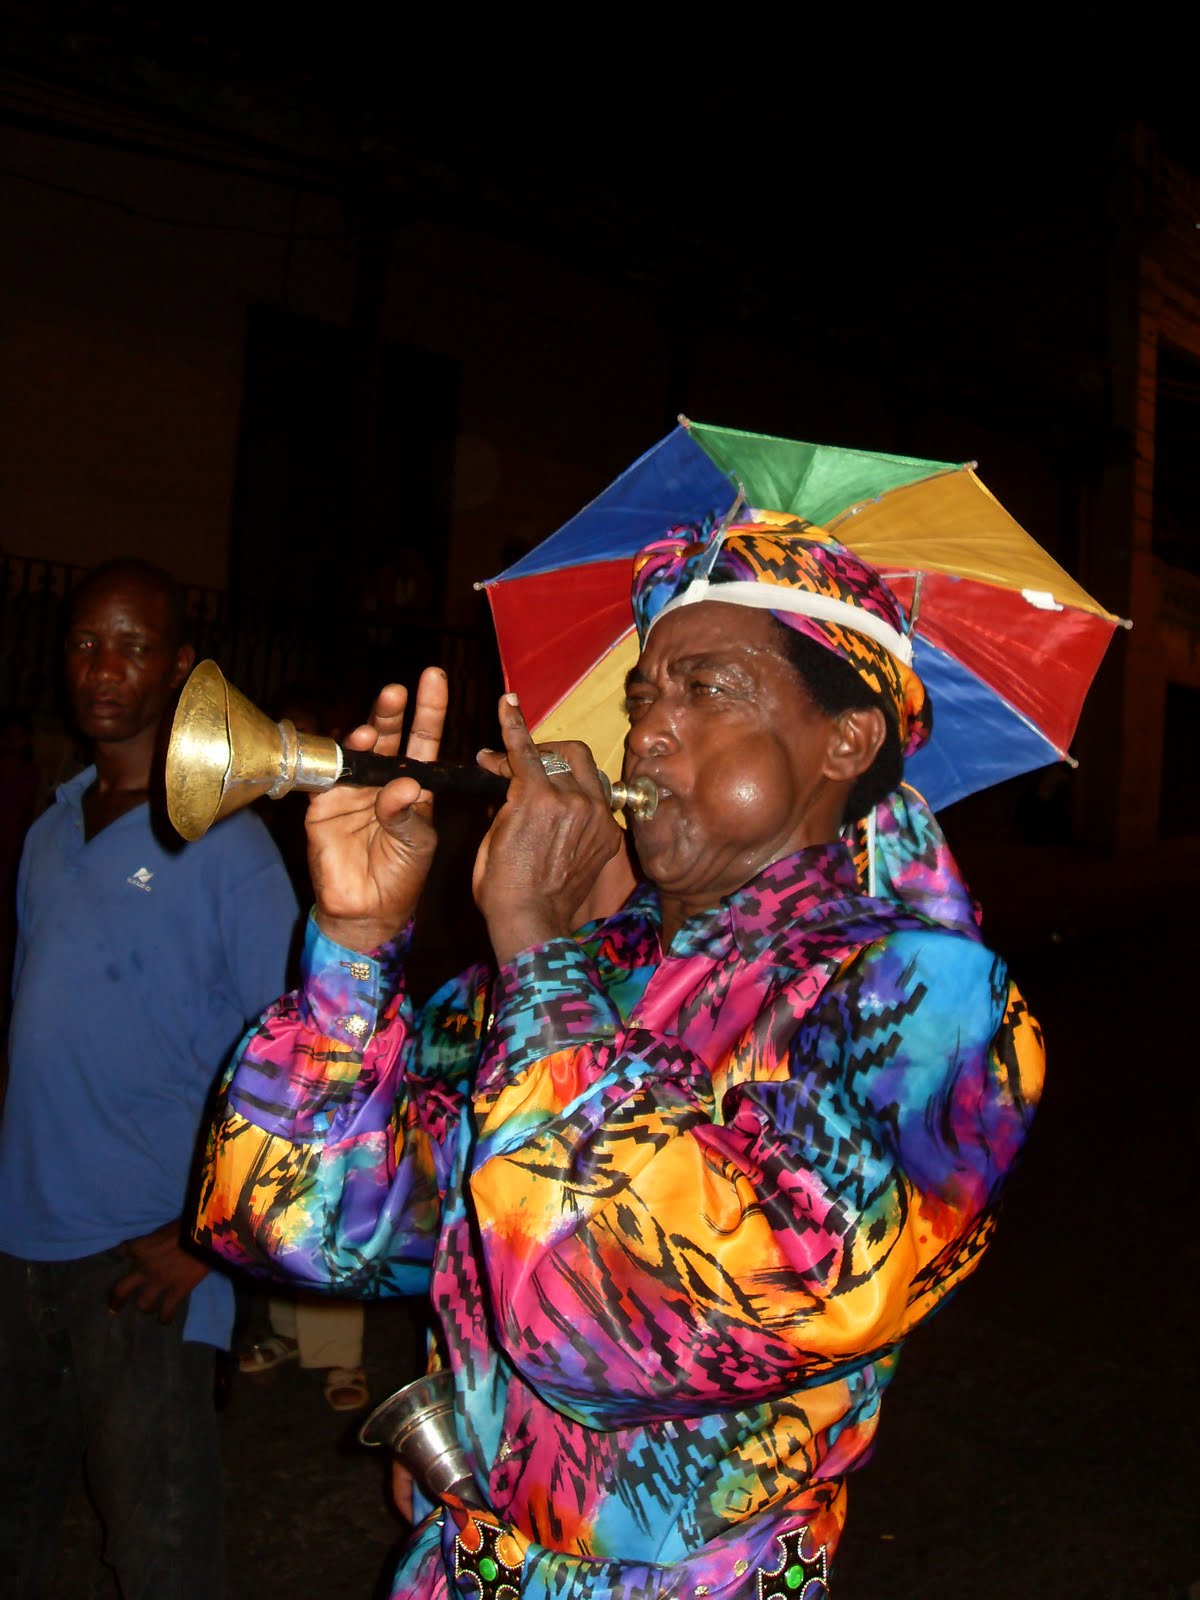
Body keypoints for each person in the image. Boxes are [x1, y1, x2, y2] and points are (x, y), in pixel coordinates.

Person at [194, 520, 1045, 1597]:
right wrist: (354, 950)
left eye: (708, 690)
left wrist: (543, 958)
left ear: (847, 739)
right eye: (645, 695)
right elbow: (304, 1225)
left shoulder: (924, 1002)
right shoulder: (584, 969)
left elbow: (614, 1327)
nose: (646, 733)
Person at [0, 559, 299, 1598]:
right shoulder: (48, 829)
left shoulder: (229, 844)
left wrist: (209, 1244)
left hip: (142, 1258)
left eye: (132, 645)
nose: (104, 666)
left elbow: (295, 1058)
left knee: (160, 1550)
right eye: (86, 642)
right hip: (18, 1244)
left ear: (179, 670)